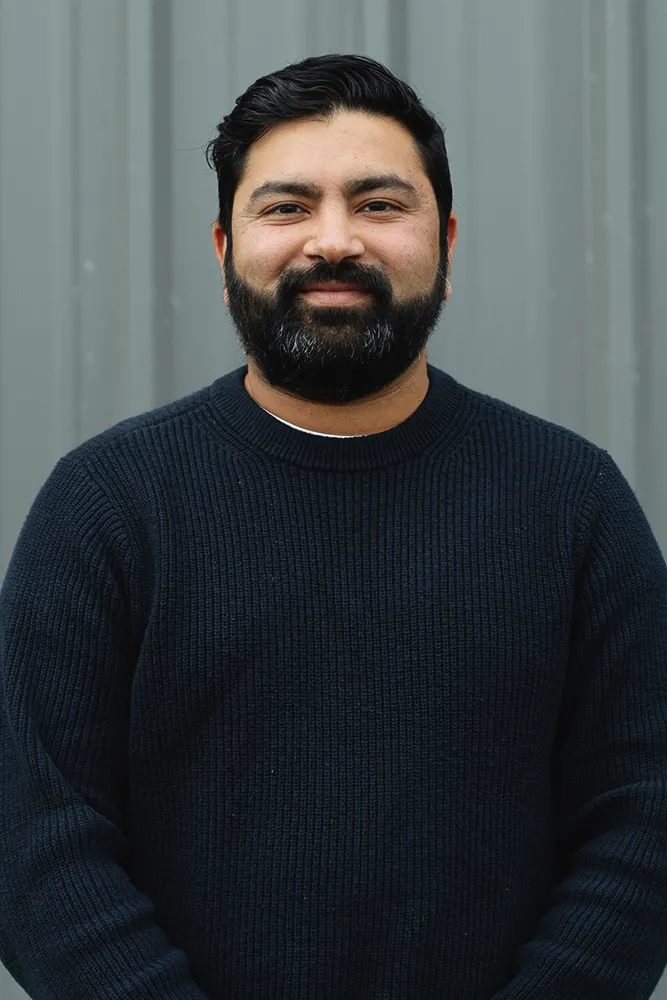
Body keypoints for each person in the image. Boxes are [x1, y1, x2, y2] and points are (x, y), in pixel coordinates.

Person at [0, 52, 666, 1000]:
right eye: (285, 207)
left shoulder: (571, 503)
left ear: (448, 242)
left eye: (380, 204)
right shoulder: (106, 506)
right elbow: (36, 838)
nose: (333, 241)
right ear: (225, 248)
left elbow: (639, 817)